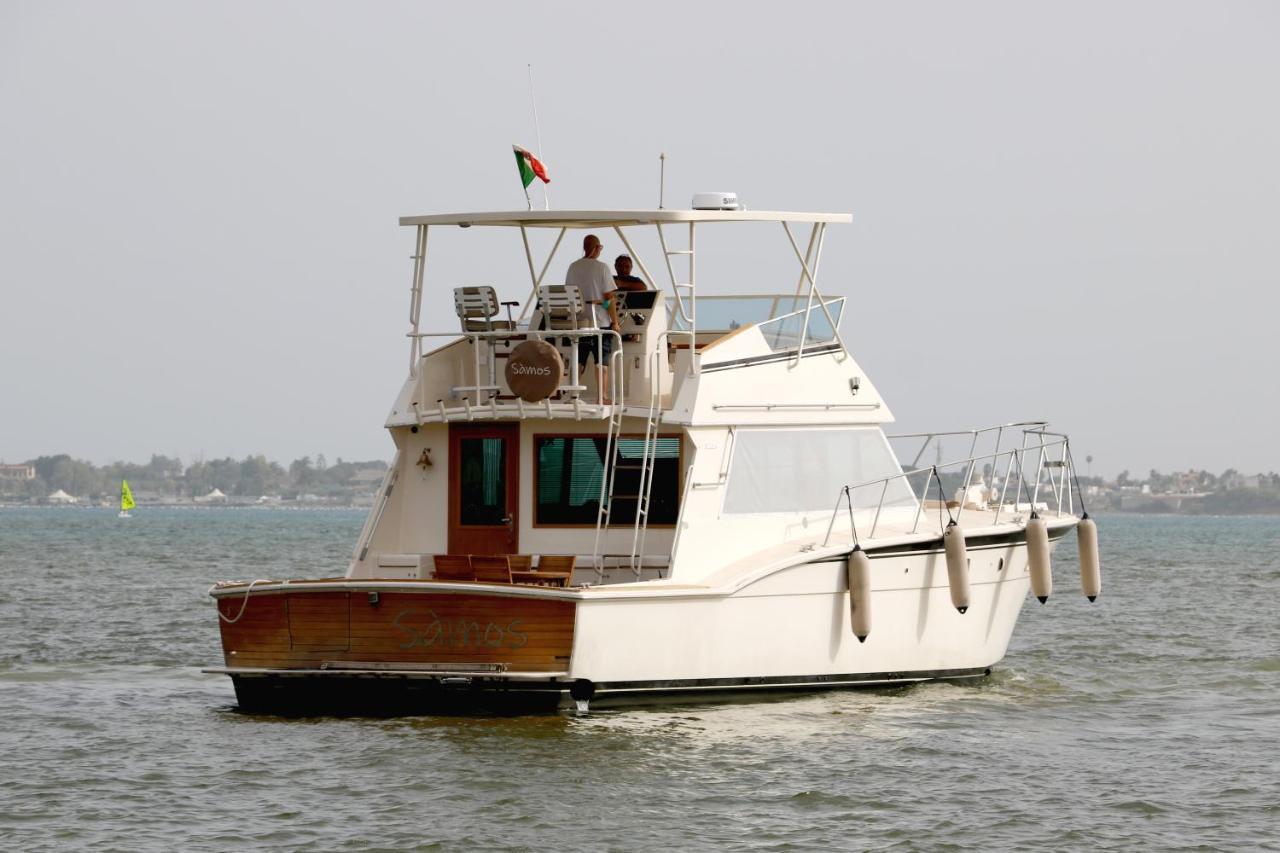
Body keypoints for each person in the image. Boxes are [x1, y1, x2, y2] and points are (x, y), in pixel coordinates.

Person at [564, 234, 619, 403]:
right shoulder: (602, 268)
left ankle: (573, 395)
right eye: (600, 247)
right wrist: (615, 322)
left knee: (579, 359)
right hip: (599, 322)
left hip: (580, 322)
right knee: (601, 360)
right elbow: (608, 298)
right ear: (596, 248)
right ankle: (602, 397)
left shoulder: (573, 267)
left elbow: (569, 293)